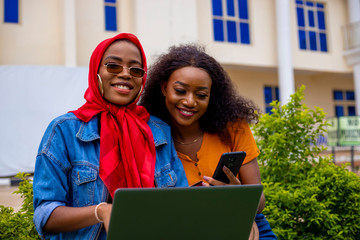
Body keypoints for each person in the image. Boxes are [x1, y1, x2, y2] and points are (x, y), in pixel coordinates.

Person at [33, 33, 188, 240]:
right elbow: (45, 216)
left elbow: (182, 202)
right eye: (113, 66)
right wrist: (101, 211)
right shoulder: (64, 130)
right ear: (95, 70)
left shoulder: (158, 131)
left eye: (135, 69)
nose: (125, 74)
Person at [140, 44, 277, 239]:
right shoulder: (148, 136)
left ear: (211, 96)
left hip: (247, 223)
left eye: (201, 95)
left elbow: (260, 200)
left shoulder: (234, 128)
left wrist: (238, 197)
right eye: (180, 91)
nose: (190, 101)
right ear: (164, 88)